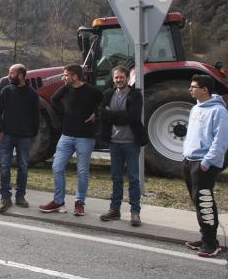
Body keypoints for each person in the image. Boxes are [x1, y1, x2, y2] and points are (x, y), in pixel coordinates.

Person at [39, 64, 102, 216]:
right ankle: (58, 201)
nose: (63, 77)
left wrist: (96, 114)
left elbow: (104, 101)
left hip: (85, 138)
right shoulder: (66, 89)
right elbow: (54, 99)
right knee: (57, 167)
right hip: (66, 136)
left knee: (82, 171)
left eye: (66, 75)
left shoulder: (92, 91)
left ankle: (79, 203)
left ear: (75, 76)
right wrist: (65, 112)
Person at [182, 74, 228, 258]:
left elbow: (221, 141)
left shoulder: (219, 111)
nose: (190, 89)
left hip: (203, 164)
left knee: (205, 202)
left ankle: (211, 244)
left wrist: (206, 162)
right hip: (189, 160)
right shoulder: (196, 108)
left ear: (205, 90)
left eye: (193, 86)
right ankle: (206, 238)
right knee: (198, 201)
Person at [98, 66, 147, 227]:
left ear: (127, 78)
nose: (119, 80)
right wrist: (116, 116)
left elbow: (133, 116)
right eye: (116, 77)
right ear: (113, 79)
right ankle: (114, 210)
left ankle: (135, 212)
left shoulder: (135, 95)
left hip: (131, 143)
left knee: (133, 178)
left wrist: (111, 115)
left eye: (122, 77)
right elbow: (102, 114)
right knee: (116, 178)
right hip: (114, 143)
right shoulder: (108, 94)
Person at [0, 63, 39, 213]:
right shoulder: (6, 91)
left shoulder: (32, 94)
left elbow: (36, 117)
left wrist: (32, 134)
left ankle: (20, 196)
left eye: (11, 73)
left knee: (23, 167)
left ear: (20, 75)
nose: (8, 76)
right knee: (4, 167)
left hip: (25, 137)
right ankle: (5, 198)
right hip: (7, 136)